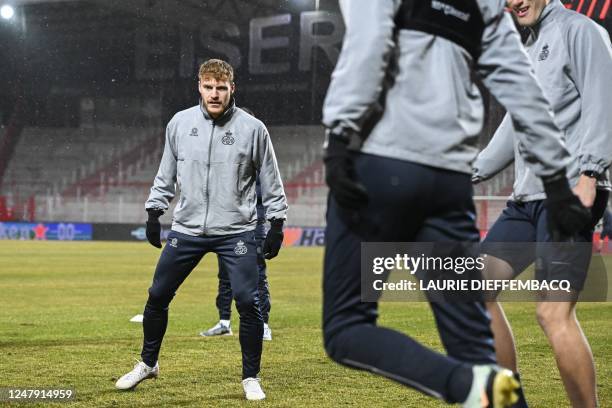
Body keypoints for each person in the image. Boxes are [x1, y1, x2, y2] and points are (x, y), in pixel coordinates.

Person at [322, 0, 590, 406]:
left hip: (380, 167)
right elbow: (522, 84)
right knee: (475, 348)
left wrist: (341, 134)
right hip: (447, 186)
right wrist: (555, 179)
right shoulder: (482, 3)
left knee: (346, 329)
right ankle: (483, 384)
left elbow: (369, 43)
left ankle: (462, 383)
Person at [114, 59, 288, 401]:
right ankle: (148, 364)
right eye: (208, 87)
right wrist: (154, 210)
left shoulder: (253, 129)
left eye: (221, 88)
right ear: (199, 86)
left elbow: (271, 180)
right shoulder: (180, 123)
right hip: (188, 229)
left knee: (247, 303)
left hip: (235, 231)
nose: (214, 94)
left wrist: (277, 223)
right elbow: (166, 173)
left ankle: (250, 377)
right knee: (158, 295)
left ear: (231, 89)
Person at [473, 0, 611, 406]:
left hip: (569, 193)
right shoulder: (525, 51)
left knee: (552, 314)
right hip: (526, 200)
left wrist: (591, 173)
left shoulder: (580, 31)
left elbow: (605, 101)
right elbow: (514, 125)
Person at [200, 175, 273, 341]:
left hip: (252, 225)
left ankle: (264, 326)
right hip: (226, 225)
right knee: (225, 275)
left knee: (257, 275)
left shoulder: (258, 164)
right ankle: (224, 323)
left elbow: (266, 192)